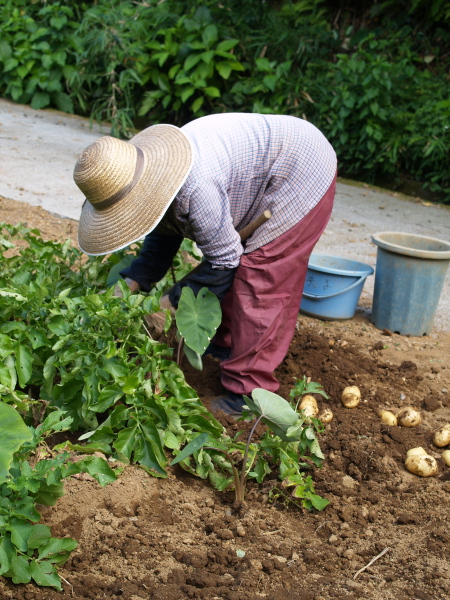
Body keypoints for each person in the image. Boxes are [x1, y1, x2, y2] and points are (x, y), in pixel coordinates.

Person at [73, 113, 337, 415]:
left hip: (300, 170)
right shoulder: (154, 177)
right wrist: (134, 281)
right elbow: (163, 231)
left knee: (261, 280)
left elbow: (224, 262)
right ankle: (225, 345)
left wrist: (168, 305)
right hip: (262, 170)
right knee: (232, 269)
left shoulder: (195, 187)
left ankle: (247, 395)